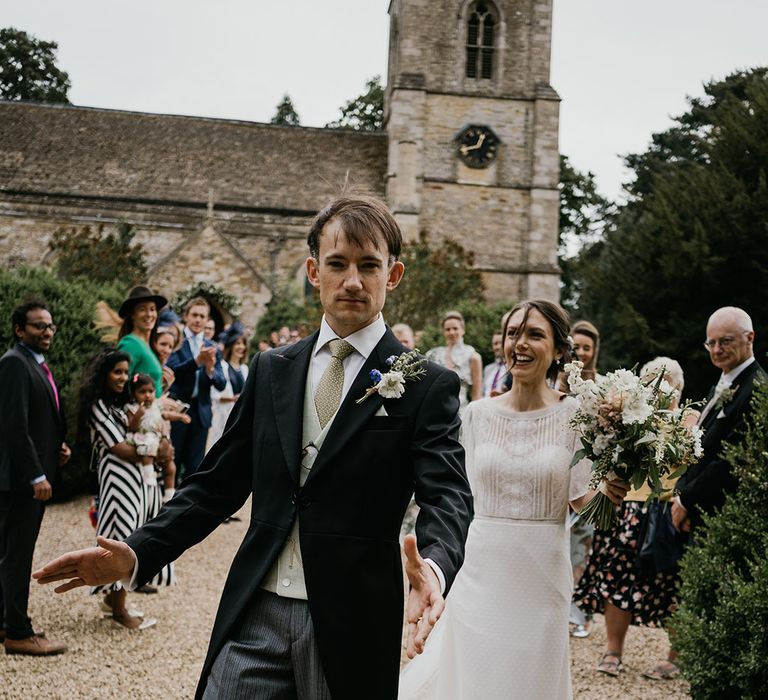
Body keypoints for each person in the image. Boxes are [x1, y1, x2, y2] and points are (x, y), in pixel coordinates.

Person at [34, 194, 473, 700]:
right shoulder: (272, 369)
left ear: (392, 275)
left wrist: (434, 569)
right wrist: (136, 552)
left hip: (350, 617)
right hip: (255, 610)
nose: (353, 280)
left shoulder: (426, 384)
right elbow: (215, 486)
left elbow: (448, 495)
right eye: (337, 264)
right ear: (314, 270)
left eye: (369, 265)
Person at [399, 299, 628, 700]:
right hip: (479, 571)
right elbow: (453, 499)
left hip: (542, 579)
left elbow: (590, 510)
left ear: (559, 349)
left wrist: (612, 491)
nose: (519, 343)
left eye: (534, 335)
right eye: (512, 334)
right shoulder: (475, 416)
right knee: (474, 676)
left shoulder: (576, 417)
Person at [574, 357, 695, 680]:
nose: (660, 388)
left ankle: (675, 655)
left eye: (667, 382)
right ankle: (613, 650)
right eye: (653, 381)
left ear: (679, 389)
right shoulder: (628, 419)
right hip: (626, 509)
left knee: (674, 585)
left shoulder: (691, 421)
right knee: (617, 582)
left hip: (669, 512)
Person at [76, 349, 175, 628]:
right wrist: (158, 451)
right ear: (103, 374)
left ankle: (114, 601)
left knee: (134, 533)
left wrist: (157, 446)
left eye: (124, 372)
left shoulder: (123, 403)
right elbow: (120, 448)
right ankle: (120, 611)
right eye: (115, 372)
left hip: (137, 479)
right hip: (118, 479)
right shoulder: (98, 405)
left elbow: (145, 431)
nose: (121, 377)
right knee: (122, 536)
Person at [0, 300, 71, 656]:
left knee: (10, 553)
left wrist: (57, 448)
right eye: (38, 326)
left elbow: (39, 419)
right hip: (20, 481)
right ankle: (17, 630)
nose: (47, 332)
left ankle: (4, 621)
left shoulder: (36, 363)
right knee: (17, 556)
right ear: (19, 330)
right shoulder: (14, 362)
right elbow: (14, 425)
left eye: (50, 326)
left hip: (32, 472)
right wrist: (36, 474)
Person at [673, 306, 766, 533]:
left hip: (722, 519)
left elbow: (732, 459)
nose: (716, 349)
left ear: (750, 338)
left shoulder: (757, 389)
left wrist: (686, 499)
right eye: (710, 343)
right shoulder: (722, 383)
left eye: (724, 341)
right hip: (698, 515)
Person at [167, 297, 226, 482]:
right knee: (172, 462)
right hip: (177, 409)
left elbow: (221, 383)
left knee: (194, 467)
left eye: (202, 316)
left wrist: (209, 370)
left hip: (201, 413)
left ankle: (188, 509)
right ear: (186, 316)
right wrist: (196, 362)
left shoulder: (211, 347)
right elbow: (172, 370)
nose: (198, 320)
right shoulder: (176, 341)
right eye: (194, 315)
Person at [116, 286, 169, 398]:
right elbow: (121, 386)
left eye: (152, 309)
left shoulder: (149, 346)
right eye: (142, 309)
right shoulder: (131, 344)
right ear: (132, 315)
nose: (149, 314)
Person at [426, 311, 482, 410]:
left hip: (461, 410)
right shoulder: (434, 354)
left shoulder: (473, 356)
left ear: (463, 330)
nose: (451, 332)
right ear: (443, 332)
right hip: (436, 409)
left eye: (455, 328)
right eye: (448, 329)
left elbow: (476, 394)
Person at [208, 322, 249, 447]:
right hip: (222, 416)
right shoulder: (223, 367)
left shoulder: (244, 369)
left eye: (243, 344)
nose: (241, 347)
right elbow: (214, 395)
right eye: (237, 343)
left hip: (239, 417)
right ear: (231, 346)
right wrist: (232, 398)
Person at [481, 330, 505, 397]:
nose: (498, 347)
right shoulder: (488, 369)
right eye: (495, 344)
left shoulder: (512, 369)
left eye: (500, 343)